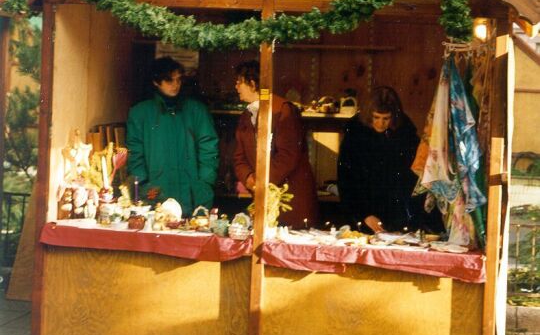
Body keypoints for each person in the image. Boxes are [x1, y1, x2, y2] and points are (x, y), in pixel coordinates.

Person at [126, 56, 219, 214]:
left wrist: (204, 184)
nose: (176, 85)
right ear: (156, 82)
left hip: (193, 194)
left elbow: (209, 148)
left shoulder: (196, 111)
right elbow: (135, 153)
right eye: (169, 80)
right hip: (156, 193)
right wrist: (143, 185)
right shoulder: (140, 113)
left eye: (178, 79)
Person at [233, 60, 318, 229]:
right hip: (262, 197)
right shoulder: (246, 115)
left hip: (291, 200)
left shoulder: (282, 110)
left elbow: (288, 156)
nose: (236, 87)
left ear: (252, 83)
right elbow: (239, 157)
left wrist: (260, 182)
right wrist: (250, 179)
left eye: (239, 82)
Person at [338, 86, 432, 234]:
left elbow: (413, 175)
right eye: (376, 117)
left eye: (386, 118)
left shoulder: (404, 129)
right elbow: (346, 178)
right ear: (369, 115)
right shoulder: (355, 130)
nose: (380, 124)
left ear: (394, 117)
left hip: (395, 210)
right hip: (361, 206)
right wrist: (364, 214)